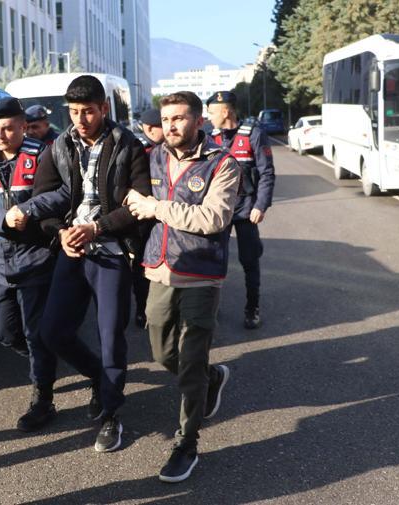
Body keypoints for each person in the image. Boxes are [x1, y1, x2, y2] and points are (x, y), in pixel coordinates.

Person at [16, 75, 150, 452]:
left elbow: (140, 205)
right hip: (72, 250)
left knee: (111, 336)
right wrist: (60, 233)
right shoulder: (58, 147)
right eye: (74, 112)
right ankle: (98, 377)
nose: (80, 119)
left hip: (111, 250)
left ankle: (110, 414)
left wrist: (98, 227)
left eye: (88, 111)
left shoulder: (128, 146)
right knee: (52, 332)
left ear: (103, 108)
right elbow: (44, 202)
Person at [126, 91, 240, 483]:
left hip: (200, 273)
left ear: (198, 121)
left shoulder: (221, 163)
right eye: (166, 118)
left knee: (190, 359)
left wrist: (155, 208)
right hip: (159, 269)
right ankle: (211, 378)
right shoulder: (152, 156)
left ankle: (186, 443)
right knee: (160, 350)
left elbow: (214, 218)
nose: (170, 126)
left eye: (178, 118)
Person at [0, 97, 58, 432]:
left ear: (23, 126)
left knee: (34, 331)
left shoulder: (43, 155)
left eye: (8, 127)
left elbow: (63, 193)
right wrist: (3, 219)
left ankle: (43, 397)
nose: (1, 134)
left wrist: (30, 210)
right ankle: (43, 363)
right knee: (2, 330)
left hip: (36, 259)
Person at [206, 91, 275, 329]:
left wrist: (261, 205)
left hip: (246, 209)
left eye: (212, 112)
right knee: (214, 261)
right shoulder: (209, 137)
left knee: (249, 259)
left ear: (226, 112)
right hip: (219, 211)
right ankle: (212, 308)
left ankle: (252, 308)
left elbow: (266, 173)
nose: (209, 117)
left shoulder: (253, 135)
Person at [132, 107, 165, 328]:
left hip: (163, 212)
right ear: (152, 129)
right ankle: (142, 309)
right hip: (143, 218)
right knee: (142, 265)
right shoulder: (142, 150)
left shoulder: (162, 148)